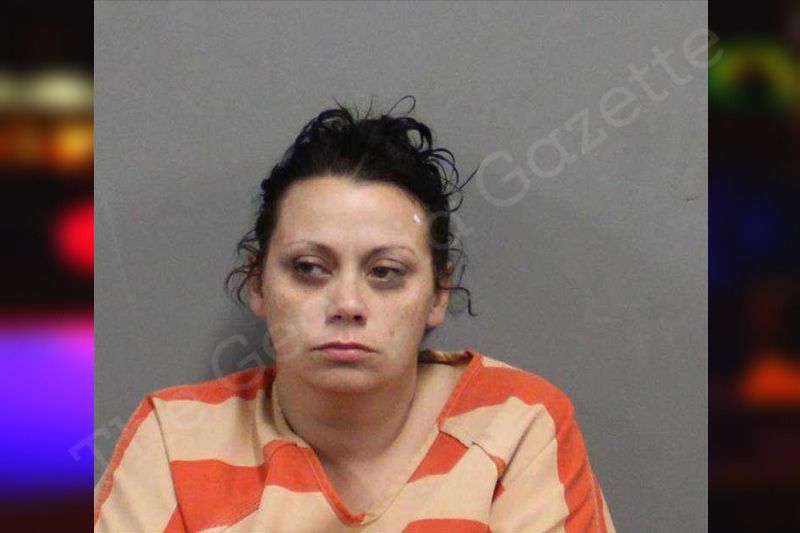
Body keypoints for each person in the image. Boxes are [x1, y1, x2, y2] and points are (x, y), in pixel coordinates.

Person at [94, 96, 616, 532]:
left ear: (438, 293)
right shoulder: (176, 440)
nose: (347, 305)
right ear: (257, 283)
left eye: (385, 272)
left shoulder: (516, 425)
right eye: (309, 268)